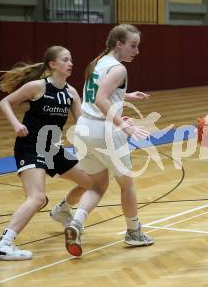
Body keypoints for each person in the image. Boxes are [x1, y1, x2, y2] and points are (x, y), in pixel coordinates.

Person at [0, 46, 94, 260]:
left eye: (71, 59)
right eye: (65, 59)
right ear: (53, 64)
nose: (70, 63)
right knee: (37, 198)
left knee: (92, 182)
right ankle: (2, 244)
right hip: (31, 147)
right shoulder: (37, 87)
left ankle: (62, 210)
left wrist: (109, 126)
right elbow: (5, 102)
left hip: (52, 149)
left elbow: (82, 123)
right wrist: (16, 124)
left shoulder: (71, 93)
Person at [58, 24, 153, 257]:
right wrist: (124, 126)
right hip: (106, 130)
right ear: (119, 44)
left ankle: (77, 223)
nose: (137, 51)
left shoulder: (98, 61)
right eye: (133, 45)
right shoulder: (118, 69)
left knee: (98, 185)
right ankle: (134, 232)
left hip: (83, 129)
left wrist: (125, 96)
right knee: (126, 184)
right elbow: (102, 99)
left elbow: (97, 94)